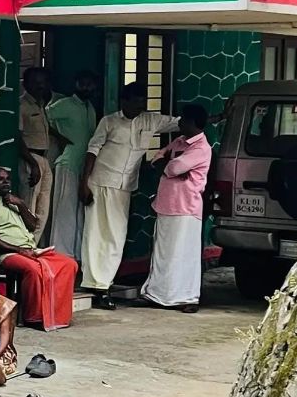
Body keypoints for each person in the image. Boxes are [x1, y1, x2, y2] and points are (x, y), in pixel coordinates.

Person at [80, 83, 219, 310]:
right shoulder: (109, 121)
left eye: (143, 102)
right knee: (95, 233)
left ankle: (105, 283)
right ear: (124, 101)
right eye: (136, 101)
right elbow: (92, 150)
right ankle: (96, 286)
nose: (141, 106)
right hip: (100, 182)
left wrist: (220, 116)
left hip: (124, 187)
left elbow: (182, 122)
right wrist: (83, 183)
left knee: (116, 236)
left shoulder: (150, 121)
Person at [0, 167, 77, 331]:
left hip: (31, 249)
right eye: (0, 179)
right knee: (34, 269)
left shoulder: (14, 201)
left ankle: (57, 314)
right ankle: (33, 316)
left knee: (69, 264)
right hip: (8, 254)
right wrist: (20, 250)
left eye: (8, 179)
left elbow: (33, 226)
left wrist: (21, 204)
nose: (6, 182)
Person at [140, 104, 213, 313]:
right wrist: (167, 165)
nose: (179, 123)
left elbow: (174, 167)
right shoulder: (180, 141)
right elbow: (160, 157)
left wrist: (168, 165)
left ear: (192, 123)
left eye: (183, 120)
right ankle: (159, 295)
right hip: (166, 204)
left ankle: (187, 297)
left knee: (184, 254)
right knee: (163, 253)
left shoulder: (201, 147)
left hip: (186, 208)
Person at [46, 71, 99, 262]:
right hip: (68, 163)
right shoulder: (65, 104)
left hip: (85, 167)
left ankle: (75, 256)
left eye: (90, 84)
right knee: (65, 213)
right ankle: (60, 256)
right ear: (76, 83)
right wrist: (58, 137)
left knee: (80, 213)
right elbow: (42, 118)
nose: (87, 88)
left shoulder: (90, 107)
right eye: (83, 83)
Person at [17, 67, 54, 242]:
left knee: (43, 209)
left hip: (44, 159)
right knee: (29, 207)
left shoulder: (41, 105)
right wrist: (32, 163)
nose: (40, 86)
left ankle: (34, 245)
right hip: (30, 159)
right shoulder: (22, 105)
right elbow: (18, 137)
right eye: (36, 83)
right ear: (25, 84)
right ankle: (25, 246)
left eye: (43, 82)